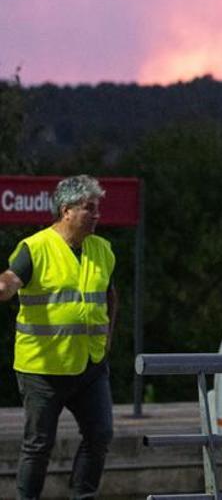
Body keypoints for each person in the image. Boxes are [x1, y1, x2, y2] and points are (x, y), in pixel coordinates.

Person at [0, 175, 117, 500]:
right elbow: (11, 279)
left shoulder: (102, 249)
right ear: (66, 210)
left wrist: (107, 341)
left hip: (90, 366)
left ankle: (83, 496)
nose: (97, 215)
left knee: (101, 435)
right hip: (43, 369)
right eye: (88, 208)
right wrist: (4, 288)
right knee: (38, 445)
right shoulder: (35, 248)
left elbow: (109, 296)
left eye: (97, 209)